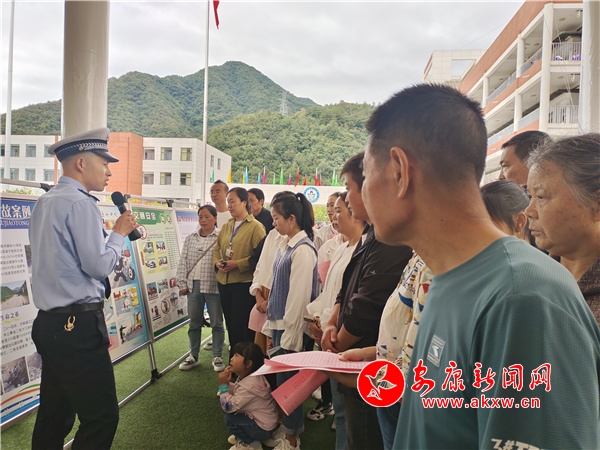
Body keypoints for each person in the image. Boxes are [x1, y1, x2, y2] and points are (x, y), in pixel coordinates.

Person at [359, 84, 600, 449]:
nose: (362, 194)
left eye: (366, 174)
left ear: (400, 172)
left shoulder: (522, 297)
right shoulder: (450, 278)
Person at [28, 127, 138, 449]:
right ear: (80, 163)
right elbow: (98, 266)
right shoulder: (81, 204)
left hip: (49, 323)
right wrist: (118, 234)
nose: (108, 171)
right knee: (102, 417)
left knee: (54, 415)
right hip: (77, 327)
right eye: (104, 163)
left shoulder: (45, 201)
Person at [321, 152, 412, 450]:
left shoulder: (392, 241)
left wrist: (340, 343)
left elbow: (367, 305)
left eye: (349, 188)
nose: (346, 199)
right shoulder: (372, 235)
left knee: (364, 434)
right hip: (364, 356)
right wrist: (333, 322)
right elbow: (347, 288)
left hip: (372, 364)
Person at [525, 133, 600, 323]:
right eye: (530, 196)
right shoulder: (529, 279)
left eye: (541, 197)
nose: (529, 211)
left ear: (597, 205)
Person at [263, 192, 318, 450]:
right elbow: (278, 287)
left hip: (290, 330)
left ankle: (293, 439)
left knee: (290, 386)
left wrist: (291, 338)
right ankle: (286, 431)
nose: (273, 223)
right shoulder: (287, 245)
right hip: (280, 327)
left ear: (292, 218)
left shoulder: (303, 250)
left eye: (276, 218)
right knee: (282, 383)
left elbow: (298, 298)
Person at [214, 187, 266, 355]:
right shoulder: (227, 226)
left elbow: (259, 258)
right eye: (228, 202)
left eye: (232, 201)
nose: (229, 206)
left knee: (241, 327)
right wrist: (217, 262)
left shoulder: (256, 227)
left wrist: (237, 263)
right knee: (230, 325)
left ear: (244, 203)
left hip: (243, 285)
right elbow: (217, 249)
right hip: (224, 283)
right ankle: (234, 361)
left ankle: (245, 361)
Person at [176, 204, 225, 372]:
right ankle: (193, 356)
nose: (203, 220)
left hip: (213, 285)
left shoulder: (221, 237)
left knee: (216, 322)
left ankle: (217, 356)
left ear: (215, 218)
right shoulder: (191, 238)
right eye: (200, 217)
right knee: (194, 323)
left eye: (207, 217)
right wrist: (182, 283)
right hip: (193, 286)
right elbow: (183, 261)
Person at [219, 342, 279, 450]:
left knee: (230, 417)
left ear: (248, 364)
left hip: (262, 429)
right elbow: (238, 391)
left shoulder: (250, 386)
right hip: (265, 425)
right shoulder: (251, 377)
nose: (231, 359)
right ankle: (253, 436)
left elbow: (228, 406)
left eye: (236, 356)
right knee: (229, 408)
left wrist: (223, 386)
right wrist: (227, 383)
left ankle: (251, 443)